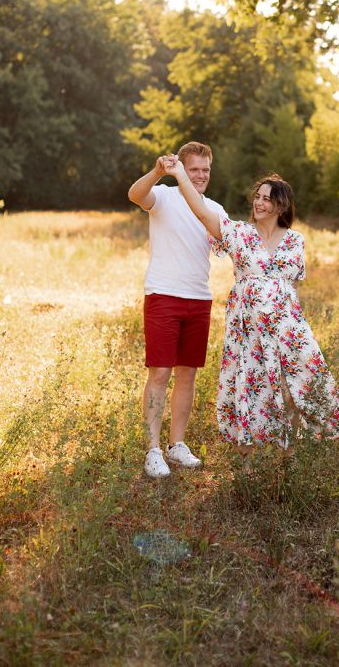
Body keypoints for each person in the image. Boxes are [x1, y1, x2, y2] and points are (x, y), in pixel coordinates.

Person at [162, 158, 339, 456]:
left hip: (288, 327)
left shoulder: (295, 241)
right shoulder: (239, 234)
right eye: (257, 197)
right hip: (247, 327)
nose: (258, 203)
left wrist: (293, 325)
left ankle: (288, 454)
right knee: (250, 382)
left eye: (266, 199)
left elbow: (293, 288)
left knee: (294, 383)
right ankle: (247, 460)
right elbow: (202, 212)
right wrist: (181, 175)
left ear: (281, 206)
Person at [128, 142, 224, 479]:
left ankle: (176, 445)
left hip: (199, 299)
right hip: (164, 295)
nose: (200, 176)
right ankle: (153, 449)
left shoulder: (213, 209)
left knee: (188, 373)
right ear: (181, 168)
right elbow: (135, 195)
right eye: (194, 169)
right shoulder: (165, 196)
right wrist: (157, 171)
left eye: (205, 171)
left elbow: (230, 243)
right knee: (159, 373)